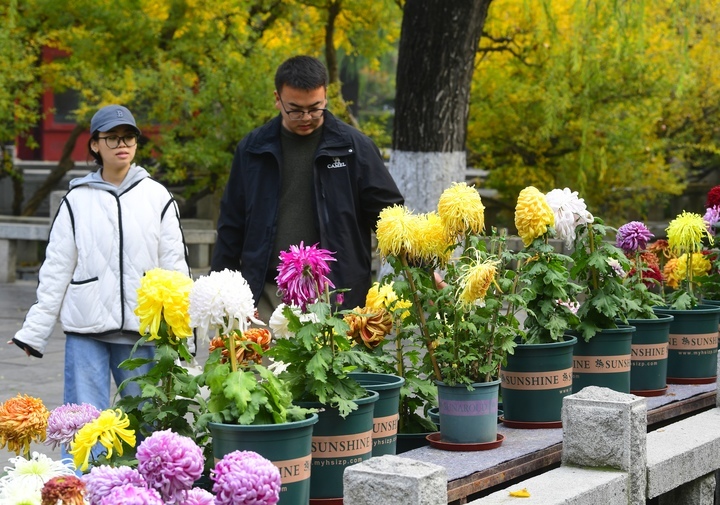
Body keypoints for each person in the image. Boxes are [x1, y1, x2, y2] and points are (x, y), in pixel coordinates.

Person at [11, 104, 190, 416]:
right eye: (112, 138)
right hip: (86, 330)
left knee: (143, 423)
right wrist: (33, 332)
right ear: (95, 144)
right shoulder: (76, 200)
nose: (122, 145)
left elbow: (176, 269)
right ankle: (81, 469)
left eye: (129, 137)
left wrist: (183, 335)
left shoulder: (158, 196)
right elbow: (56, 269)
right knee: (83, 426)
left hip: (142, 330)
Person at [211, 55, 404, 321]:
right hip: (267, 294)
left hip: (337, 295)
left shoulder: (354, 148)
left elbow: (390, 218)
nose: (306, 117)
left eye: (315, 108)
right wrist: (223, 293)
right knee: (265, 363)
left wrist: (422, 267)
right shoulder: (252, 149)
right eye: (295, 109)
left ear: (326, 96)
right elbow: (231, 228)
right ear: (277, 98)